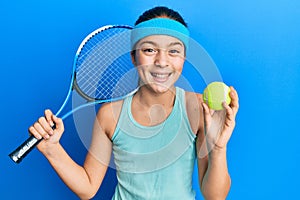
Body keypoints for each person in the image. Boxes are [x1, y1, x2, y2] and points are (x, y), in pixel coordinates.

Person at [29, 6, 239, 200]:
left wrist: (219, 147)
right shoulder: (110, 114)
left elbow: (215, 196)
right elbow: (88, 186)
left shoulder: (198, 108)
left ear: (183, 58)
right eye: (149, 50)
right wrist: (51, 149)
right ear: (133, 57)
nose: (162, 61)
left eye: (173, 51)